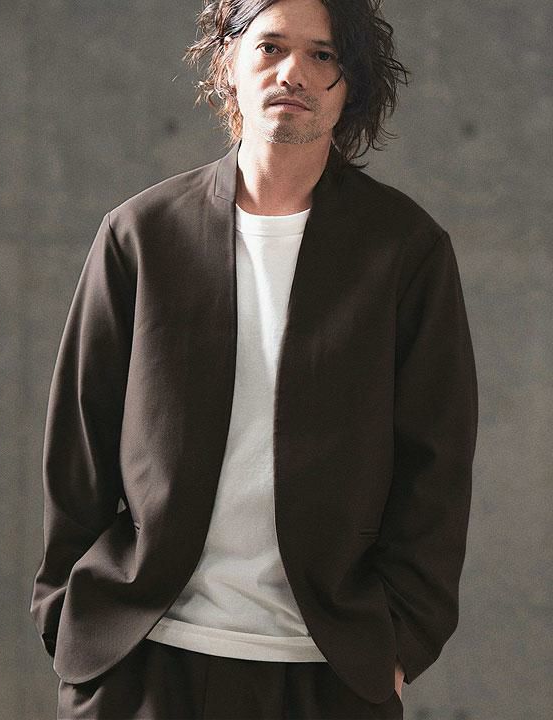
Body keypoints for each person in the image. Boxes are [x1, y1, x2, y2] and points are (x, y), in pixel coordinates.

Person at [30, 0, 479, 718]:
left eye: (323, 55)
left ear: (351, 84)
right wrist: (69, 616)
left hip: (327, 669)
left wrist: (401, 641)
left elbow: (437, 462)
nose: (292, 72)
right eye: (270, 47)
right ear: (228, 65)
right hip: (142, 659)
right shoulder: (142, 234)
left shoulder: (405, 250)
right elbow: (79, 442)